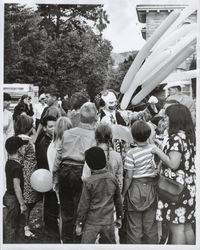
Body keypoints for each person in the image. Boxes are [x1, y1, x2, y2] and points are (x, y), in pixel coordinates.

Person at [53, 102, 97, 243]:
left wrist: (55, 177)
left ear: (80, 118)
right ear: (95, 119)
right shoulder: (94, 136)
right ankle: (77, 242)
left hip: (64, 170)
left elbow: (58, 156)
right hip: (81, 171)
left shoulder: (67, 133)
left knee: (66, 210)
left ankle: (66, 242)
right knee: (81, 211)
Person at [152, 104, 196, 244]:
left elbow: (173, 164)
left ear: (174, 119)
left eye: (167, 117)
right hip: (189, 188)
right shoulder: (189, 136)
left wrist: (157, 151)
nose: (164, 119)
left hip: (175, 190)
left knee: (177, 229)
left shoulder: (175, 138)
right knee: (187, 227)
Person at [75, 146, 123, 244]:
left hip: (92, 222)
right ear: (105, 161)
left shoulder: (88, 182)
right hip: (108, 221)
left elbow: (84, 205)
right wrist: (119, 217)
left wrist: (79, 224)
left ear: (89, 165)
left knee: (86, 245)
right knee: (109, 245)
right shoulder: (113, 179)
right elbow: (118, 200)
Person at [122, 120, 159, 244]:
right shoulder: (154, 149)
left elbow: (128, 177)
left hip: (135, 191)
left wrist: (123, 194)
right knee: (150, 227)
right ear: (149, 135)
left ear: (133, 136)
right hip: (151, 189)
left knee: (134, 227)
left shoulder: (131, 153)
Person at [14, 114, 39, 238]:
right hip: (27, 174)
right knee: (27, 202)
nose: (33, 126)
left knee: (29, 202)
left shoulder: (22, 138)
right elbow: (21, 155)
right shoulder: (24, 140)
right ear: (27, 126)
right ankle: (24, 226)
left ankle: (23, 225)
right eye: (32, 124)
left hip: (29, 172)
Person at [35, 115, 59, 241]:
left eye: (55, 125)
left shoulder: (56, 140)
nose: (54, 128)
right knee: (50, 208)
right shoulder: (43, 143)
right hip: (48, 181)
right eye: (50, 126)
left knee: (54, 207)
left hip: (55, 180)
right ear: (44, 128)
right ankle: (51, 235)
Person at [82, 123, 123, 191]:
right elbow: (119, 180)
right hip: (111, 195)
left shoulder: (91, 154)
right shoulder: (117, 156)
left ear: (95, 137)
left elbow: (85, 177)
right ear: (111, 137)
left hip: (94, 194)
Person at [3, 136, 27, 243]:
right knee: (12, 226)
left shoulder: (9, 162)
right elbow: (17, 187)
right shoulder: (16, 167)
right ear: (19, 149)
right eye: (23, 147)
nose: (24, 149)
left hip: (9, 196)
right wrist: (22, 204)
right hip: (14, 199)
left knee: (15, 224)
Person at [3, 93, 14, 193]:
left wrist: (10, 146)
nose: (8, 102)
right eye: (6, 100)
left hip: (3, 141)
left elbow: (10, 131)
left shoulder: (9, 114)